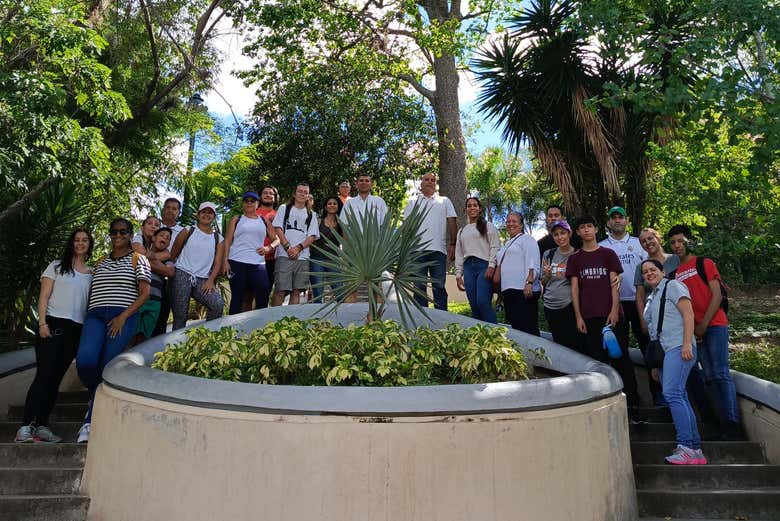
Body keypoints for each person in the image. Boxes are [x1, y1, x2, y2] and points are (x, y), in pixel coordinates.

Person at [14, 228, 94, 443]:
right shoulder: (56, 266)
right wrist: (42, 323)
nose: (80, 243)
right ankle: (25, 426)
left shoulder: (91, 273)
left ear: (89, 245)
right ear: (71, 243)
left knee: (55, 378)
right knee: (44, 375)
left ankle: (42, 425)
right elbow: (44, 296)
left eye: (84, 240)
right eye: (76, 240)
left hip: (75, 329)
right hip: (52, 325)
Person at [76, 218, 151, 443]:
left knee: (107, 363)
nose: (118, 236)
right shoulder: (99, 262)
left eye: (123, 232)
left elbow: (145, 293)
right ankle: (94, 396)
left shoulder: (139, 259)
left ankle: (89, 422)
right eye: (114, 232)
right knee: (86, 361)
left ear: (130, 235)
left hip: (121, 316)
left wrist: (123, 317)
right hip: (96, 315)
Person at [668, 224, 742, 439]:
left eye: (681, 241)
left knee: (720, 373)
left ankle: (732, 423)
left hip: (715, 325)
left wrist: (703, 325)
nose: (677, 246)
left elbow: (717, 296)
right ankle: (718, 424)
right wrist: (694, 331)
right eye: (673, 242)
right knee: (707, 376)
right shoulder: (674, 274)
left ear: (689, 241)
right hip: (694, 332)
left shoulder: (704, 263)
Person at [566, 215, 639, 409]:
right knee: (598, 362)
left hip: (613, 317)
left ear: (596, 229)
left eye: (590, 226)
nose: (587, 230)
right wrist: (578, 316)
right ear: (578, 232)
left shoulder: (608, 254)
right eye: (582, 227)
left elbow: (614, 284)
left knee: (622, 358)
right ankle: (606, 405)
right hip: (589, 317)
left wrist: (614, 311)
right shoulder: (575, 259)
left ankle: (633, 406)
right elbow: (575, 289)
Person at [641, 258, 707, 465]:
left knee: (672, 393)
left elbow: (688, 315)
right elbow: (654, 332)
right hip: (665, 352)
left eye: (653, 269)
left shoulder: (673, 285)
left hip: (679, 346)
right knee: (679, 395)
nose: (649, 273)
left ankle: (685, 446)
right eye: (645, 272)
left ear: (662, 271)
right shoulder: (652, 296)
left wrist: (688, 343)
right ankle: (695, 450)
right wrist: (654, 364)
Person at [634, 228, 680, 405]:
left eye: (650, 238)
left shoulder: (674, 260)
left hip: (676, 320)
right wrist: (643, 320)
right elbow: (639, 295)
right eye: (643, 241)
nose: (648, 242)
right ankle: (663, 402)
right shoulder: (642, 267)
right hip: (654, 322)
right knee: (656, 360)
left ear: (658, 238)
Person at [402, 173, 457, 310]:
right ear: (421, 183)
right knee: (419, 287)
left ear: (436, 184)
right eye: (426, 179)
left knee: (438, 286)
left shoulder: (444, 201)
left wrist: (453, 244)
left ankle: (443, 318)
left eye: (433, 180)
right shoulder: (412, 202)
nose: (430, 182)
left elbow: (452, 221)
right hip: (417, 251)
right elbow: (406, 227)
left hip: (438, 250)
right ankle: (422, 320)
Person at [599, 206, 647, 356]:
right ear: (608, 222)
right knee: (620, 346)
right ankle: (624, 380)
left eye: (620, 217)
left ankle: (656, 379)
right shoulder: (601, 246)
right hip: (615, 304)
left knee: (646, 342)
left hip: (639, 301)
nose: (617, 220)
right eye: (614, 217)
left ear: (627, 221)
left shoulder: (640, 243)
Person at [169, 202, 225, 330]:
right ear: (198, 215)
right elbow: (173, 253)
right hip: (182, 274)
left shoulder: (218, 238)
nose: (206, 215)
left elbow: (217, 263)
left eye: (210, 212)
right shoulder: (188, 230)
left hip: (203, 279)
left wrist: (211, 280)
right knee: (180, 315)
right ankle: (175, 347)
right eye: (203, 212)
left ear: (214, 217)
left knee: (217, 304)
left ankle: (206, 337)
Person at [223, 191, 278, 314]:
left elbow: (276, 239)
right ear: (242, 204)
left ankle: (260, 324)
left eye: (252, 201)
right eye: (246, 201)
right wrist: (225, 261)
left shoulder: (264, 221)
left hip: (258, 262)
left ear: (257, 203)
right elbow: (227, 241)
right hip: (237, 261)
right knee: (238, 296)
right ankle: (231, 329)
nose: (249, 203)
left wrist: (268, 248)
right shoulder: (236, 219)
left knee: (263, 290)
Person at [272, 184, 320, 306]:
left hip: (303, 256)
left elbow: (312, 236)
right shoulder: (284, 208)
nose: (302, 194)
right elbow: (278, 227)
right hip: (284, 254)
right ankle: (273, 320)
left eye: (305, 192)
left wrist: (298, 249)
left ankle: (291, 321)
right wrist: (288, 247)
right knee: (280, 290)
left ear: (308, 196)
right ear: (294, 193)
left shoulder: (311, 214)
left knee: (296, 291)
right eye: (300, 191)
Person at [455, 197, 500, 323]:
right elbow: (459, 254)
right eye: (469, 206)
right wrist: (458, 274)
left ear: (480, 209)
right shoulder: (461, 232)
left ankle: (495, 334)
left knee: (483, 302)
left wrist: (491, 265)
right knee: (474, 305)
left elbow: (495, 246)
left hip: (484, 266)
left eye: (475, 205)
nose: (472, 208)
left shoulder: (488, 226)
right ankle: (479, 337)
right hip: (468, 268)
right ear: (466, 210)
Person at [495, 212, 541, 335]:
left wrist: (529, 282)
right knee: (516, 327)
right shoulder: (506, 244)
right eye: (508, 221)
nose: (511, 224)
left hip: (523, 291)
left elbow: (533, 261)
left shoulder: (527, 239)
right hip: (508, 292)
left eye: (514, 221)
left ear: (521, 225)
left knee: (529, 327)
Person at [540, 220, 579, 350]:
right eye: (556, 234)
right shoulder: (548, 254)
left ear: (569, 234)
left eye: (563, 233)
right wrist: (547, 275)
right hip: (550, 305)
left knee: (574, 342)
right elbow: (543, 282)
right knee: (559, 343)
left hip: (568, 305)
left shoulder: (577, 255)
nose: (560, 237)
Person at [132, 227, 175, 345]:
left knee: (144, 337)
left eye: (168, 238)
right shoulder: (141, 251)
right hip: (136, 299)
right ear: (154, 238)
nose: (164, 239)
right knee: (130, 333)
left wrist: (149, 261)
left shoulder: (168, 259)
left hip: (155, 302)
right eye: (162, 235)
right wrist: (159, 266)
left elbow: (170, 272)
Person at [152, 197, 184, 336]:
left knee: (162, 314)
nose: (171, 211)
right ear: (163, 210)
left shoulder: (183, 232)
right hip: (148, 275)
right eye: (168, 207)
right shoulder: (153, 225)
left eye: (174, 208)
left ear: (179, 212)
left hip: (170, 277)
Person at [310, 196, 343, 303]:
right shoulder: (318, 221)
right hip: (316, 259)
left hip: (333, 260)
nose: (332, 205)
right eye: (329, 203)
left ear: (338, 206)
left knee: (339, 292)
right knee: (318, 293)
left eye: (334, 203)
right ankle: (316, 319)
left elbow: (346, 241)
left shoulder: (341, 224)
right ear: (325, 206)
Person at [256, 185, 279, 290]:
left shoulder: (279, 215)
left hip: (270, 260)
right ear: (260, 196)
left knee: (265, 293)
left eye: (271, 193)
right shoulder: (252, 212)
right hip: (251, 258)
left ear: (275, 197)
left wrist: (269, 248)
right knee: (247, 295)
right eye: (265, 193)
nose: (268, 195)